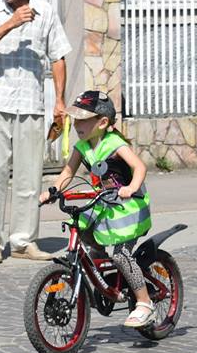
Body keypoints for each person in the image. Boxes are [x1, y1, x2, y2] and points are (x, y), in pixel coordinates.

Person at [0, 0, 72, 264]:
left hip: (31, 102)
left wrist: (59, 101)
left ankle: (23, 240)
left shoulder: (46, 12)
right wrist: (11, 23)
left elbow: (58, 57)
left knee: (29, 177)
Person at [44, 90, 154, 328]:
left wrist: (131, 187)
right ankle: (108, 283)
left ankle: (145, 303)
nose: (77, 124)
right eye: (76, 118)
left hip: (128, 207)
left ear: (102, 122)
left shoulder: (114, 143)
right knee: (85, 236)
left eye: (83, 119)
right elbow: (67, 173)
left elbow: (139, 167)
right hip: (105, 203)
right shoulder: (82, 147)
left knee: (120, 254)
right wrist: (52, 191)